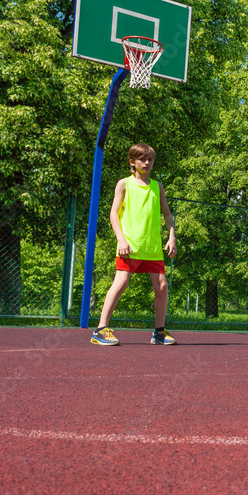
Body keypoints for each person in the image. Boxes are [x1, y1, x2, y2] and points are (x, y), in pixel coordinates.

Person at [91, 142, 177, 346]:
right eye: (142, 159)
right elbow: (113, 213)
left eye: (150, 159)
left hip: (152, 247)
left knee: (162, 286)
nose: (147, 163)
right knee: (121, 282)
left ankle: (158, 332)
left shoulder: (157, 186)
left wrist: (172, 236)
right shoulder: (124, 184)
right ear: (132, 162)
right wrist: (120, 238)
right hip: (129, 245)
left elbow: (167, 214)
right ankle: (101, 330)